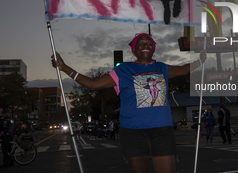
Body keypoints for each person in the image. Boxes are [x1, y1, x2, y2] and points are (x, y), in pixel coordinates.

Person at [51, 33, 206, 173]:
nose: (146, 45)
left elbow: (184, 69)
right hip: (133, 133)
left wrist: (200, 61)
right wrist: (64, 68)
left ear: (153, 49)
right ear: (134, 49)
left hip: (162, 131)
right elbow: (93, 84)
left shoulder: (162, 68)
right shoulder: (123, 70)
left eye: (149, 43)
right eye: (141, 43)